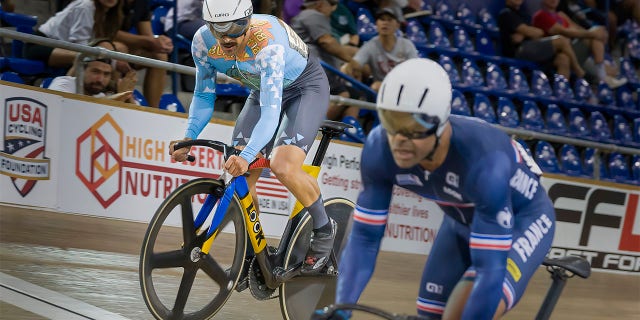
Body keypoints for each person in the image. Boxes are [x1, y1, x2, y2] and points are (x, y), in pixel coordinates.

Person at [331, 58, 556, 319]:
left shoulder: (484, 162)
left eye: (415, 128)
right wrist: (341, 312)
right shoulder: (379, 147)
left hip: (524, 219)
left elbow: (490, 271)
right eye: (391, 121)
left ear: (439, 124)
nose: (400, 139)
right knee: (429, 313)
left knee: (460, 312)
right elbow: (364, 238)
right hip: (459, 223)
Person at [169, 0, 337, 275]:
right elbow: (202, 95)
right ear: (208, 25)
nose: (226, 37)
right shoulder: (202, 43)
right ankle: (253, 253)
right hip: (262, 89)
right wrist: (188, 137)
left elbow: (271, 116)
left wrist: (247, 156)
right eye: (218, 28)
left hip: (305, 88)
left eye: (236, 27)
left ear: (248, 20)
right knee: (240, 178)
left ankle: (324, 228)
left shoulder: (267, 43)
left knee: (283, 166)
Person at [290, 0, 363, 140]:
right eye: (332, 4)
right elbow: (326, 41)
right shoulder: (313, 14)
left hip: (318, 72)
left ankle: (348, 136)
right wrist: (351, 61)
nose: (333, 9)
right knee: (344, 95)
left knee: (353, 96)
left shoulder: (307, 16)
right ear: (321, 4)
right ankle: (312, 127)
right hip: (314, 71)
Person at [532, 0, 627, 88]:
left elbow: (577, 29)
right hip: (556, 54)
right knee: (593, 35)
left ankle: (601, 76)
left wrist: (595, 33)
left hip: (573, 50)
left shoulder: (561, 15)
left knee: (596, 35)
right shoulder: (540, 15)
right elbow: (563, 31)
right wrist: (592, 33)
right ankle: (601, 76)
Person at [498, 0, 586, 80]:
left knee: (563, 59)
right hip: (518, 51)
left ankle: (561, 91)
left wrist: (524, 33)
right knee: (560, 39)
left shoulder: (523, 14)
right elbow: (532, 32)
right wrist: (527, 32)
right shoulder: (506, 13)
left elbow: (539, 33)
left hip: (532, 48)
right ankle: (577, 68)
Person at [24, 0, 123, 69]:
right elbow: (79, 46)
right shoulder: (86, 5)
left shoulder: (110, 15)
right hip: (41, 44)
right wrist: (113, 63)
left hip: (64, 48)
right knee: (89, 58)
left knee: (119, 49)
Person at [115, 0, 174, 108]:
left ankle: (152, 111)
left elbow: (147, 36)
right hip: (102, 42)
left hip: (125, 47)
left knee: (159, 56)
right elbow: (109, 32)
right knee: (119, 49)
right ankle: (113, 101)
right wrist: (149, 41)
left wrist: (160, 42)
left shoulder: (141, 3)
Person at [343, 8, 418, 92]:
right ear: (376, 24)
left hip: (404, 87)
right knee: (375, 86)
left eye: (389, 20)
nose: (385, 23)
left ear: (397, 25)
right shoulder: (370, 46)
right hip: (382, 89)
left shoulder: (407, 45)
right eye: (382, 19)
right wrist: (350, 69)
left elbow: (415, 71)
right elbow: (355, 63)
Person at [47, 39, 137, 102]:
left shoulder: (100, 96)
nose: (100, 79)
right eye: (95, 72)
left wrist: (128, 96)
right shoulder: (64, 83)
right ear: (82, 69)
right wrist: (120, 95)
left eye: (106, 74)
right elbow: (74, 110)